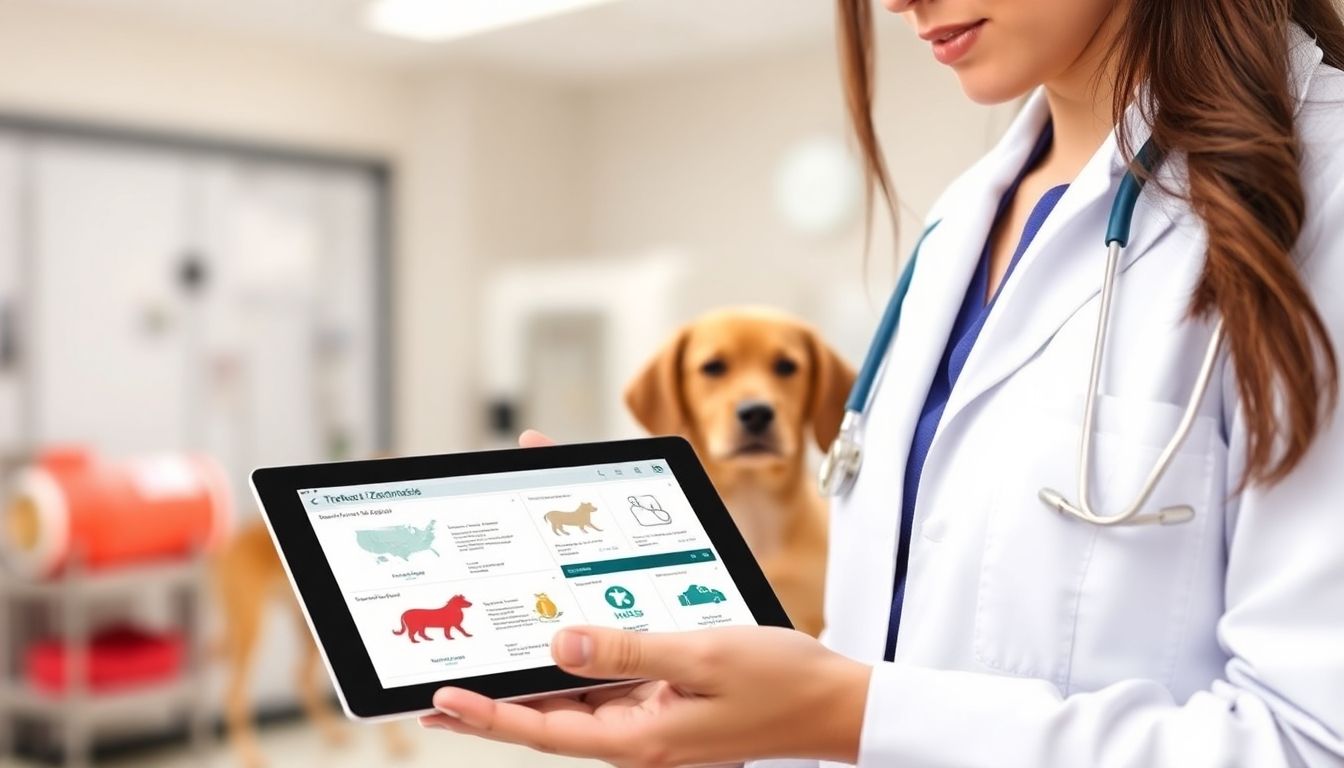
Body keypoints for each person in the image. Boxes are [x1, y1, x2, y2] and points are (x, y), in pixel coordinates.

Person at [421, 0, 1344, 765]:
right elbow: (894, 649)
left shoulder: (1325, 193)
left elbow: (1311, 740)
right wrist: (729, 709)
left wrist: (846, 713)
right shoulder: (961, 220)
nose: (897, 2)